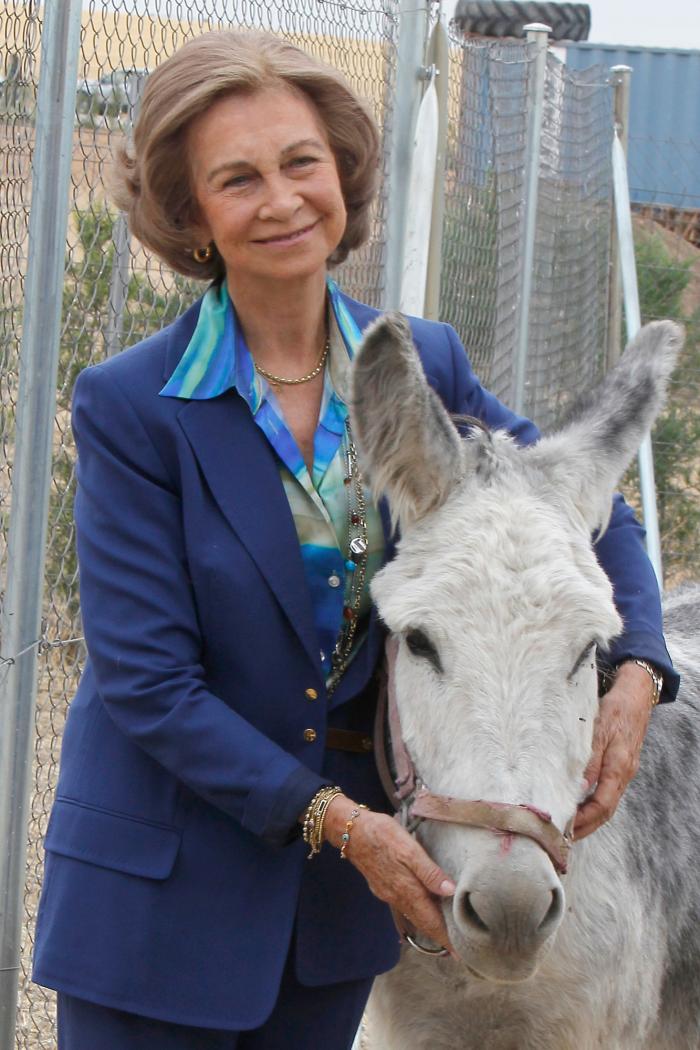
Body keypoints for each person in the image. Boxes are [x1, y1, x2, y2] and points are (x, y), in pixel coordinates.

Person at [32, 28, 677, 1050]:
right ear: (191, 214)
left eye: (302, 162)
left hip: (328, 923)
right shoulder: (132, 407)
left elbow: (586, 504)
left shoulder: (423, 365)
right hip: (161, 901)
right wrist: (346, 825)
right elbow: (149, 685)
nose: (283, 199)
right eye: (238, 179)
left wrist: (637, 667)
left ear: (342, 173)